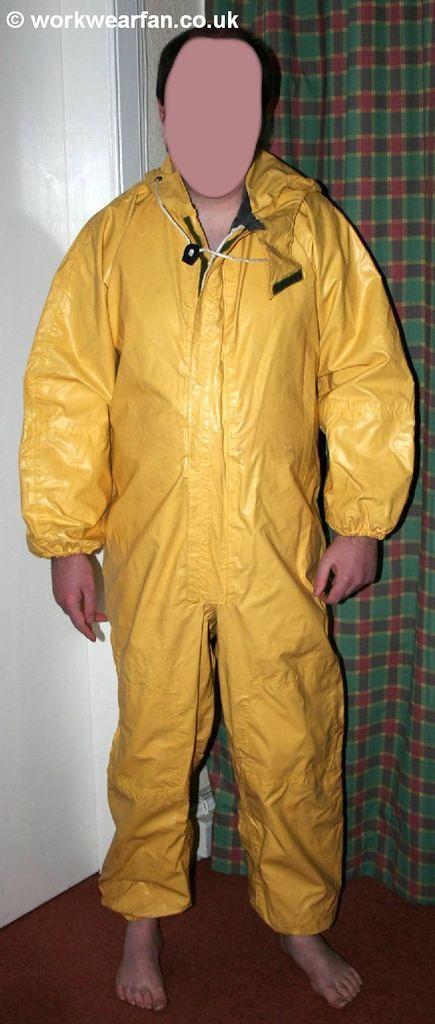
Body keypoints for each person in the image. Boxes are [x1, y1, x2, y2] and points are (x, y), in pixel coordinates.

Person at [18, 25, 415, 1014]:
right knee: (154, 740)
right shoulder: (115, 240)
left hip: (272, 546)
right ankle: (140, 923)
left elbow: (364, 375)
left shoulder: (309, 233)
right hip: (152, 544)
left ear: (261, 114)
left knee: (290, 736)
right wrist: (67, 539)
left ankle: (299, 922)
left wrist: (360, 519)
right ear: (164, 113)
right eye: (194, 102)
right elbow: (70, 391)